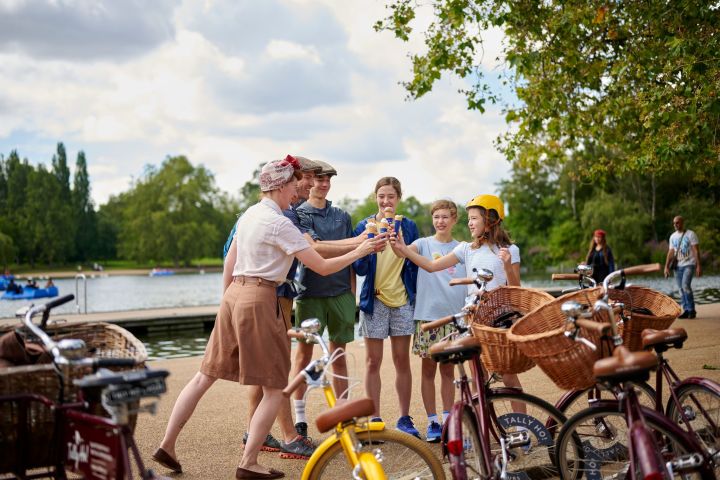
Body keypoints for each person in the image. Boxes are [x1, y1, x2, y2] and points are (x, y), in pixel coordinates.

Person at [153, 156, 377, 480]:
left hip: (234, 294)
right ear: (281, 186)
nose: (298, 193)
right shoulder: (280, 223)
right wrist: (362, 250)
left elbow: (230, 260)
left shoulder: (248, 215)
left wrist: (226, 302)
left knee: (204, 376)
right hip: (261, 297)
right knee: (274, 387)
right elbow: (322, 266)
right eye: (294, 187)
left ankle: (167, 444)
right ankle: (248, 461)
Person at [390, 194, 525, 408]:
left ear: (489, 219)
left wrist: (508, 266)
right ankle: (483, 429)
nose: (469, 223)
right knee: (478, 377)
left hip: (500, 319)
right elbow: (432, 266)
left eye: (474, 218)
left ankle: (520, 427)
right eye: (469, 218)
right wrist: (404, 249)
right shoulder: (466, 249)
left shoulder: (510, 250)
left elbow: (516, 290)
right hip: (474, 319)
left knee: (507, 375)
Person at [291, 160, 357, 436]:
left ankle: (344, 417)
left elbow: (351, 260)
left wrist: (352, 293)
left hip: (341, 293)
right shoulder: (299, 214)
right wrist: (361, 243)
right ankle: (300, 418)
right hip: (310, 294)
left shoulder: (342, 215)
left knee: (339, 355)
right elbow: (319, 251)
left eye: (328, 179)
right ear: (310, 182)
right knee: (304, 356)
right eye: (319, 179)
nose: (324, 184)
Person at [353, 176, 421, 437]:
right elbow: (358, 269)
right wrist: (370, 244)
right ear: (376, 198)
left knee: (402, 360)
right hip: (375, 300)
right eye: (381, 196)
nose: (386, 201)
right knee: (372, 361)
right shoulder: (365, 225)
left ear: (398, 198)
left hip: (402, 300)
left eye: (390, 196)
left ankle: (404, 419)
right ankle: (374, 418)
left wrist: (399, 243)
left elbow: (415, 262)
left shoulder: (409, 225)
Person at [409, 199, 466, 442]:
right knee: (428, 370)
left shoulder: (462, 248)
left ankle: (447, 420)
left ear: (454, 219)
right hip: (428, 316)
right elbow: (398, 251)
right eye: (436, 217)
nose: (440, 221)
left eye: (445, 217)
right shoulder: (422, 244)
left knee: (448, 371)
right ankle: (432, 422)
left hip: (454, 317)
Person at [664, 215, 701, 319]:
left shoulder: (691, 234)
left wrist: (698, 266)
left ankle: (692, 310)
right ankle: (686, 310)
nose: (675, 225)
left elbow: (696, 250)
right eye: (674, 223)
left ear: (682, 223)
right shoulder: (672, 236)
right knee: (680, 289)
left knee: (685, 286)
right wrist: (666, 267)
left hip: (689, 264)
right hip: (677, 266)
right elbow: (671, 252)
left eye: (678, 223)